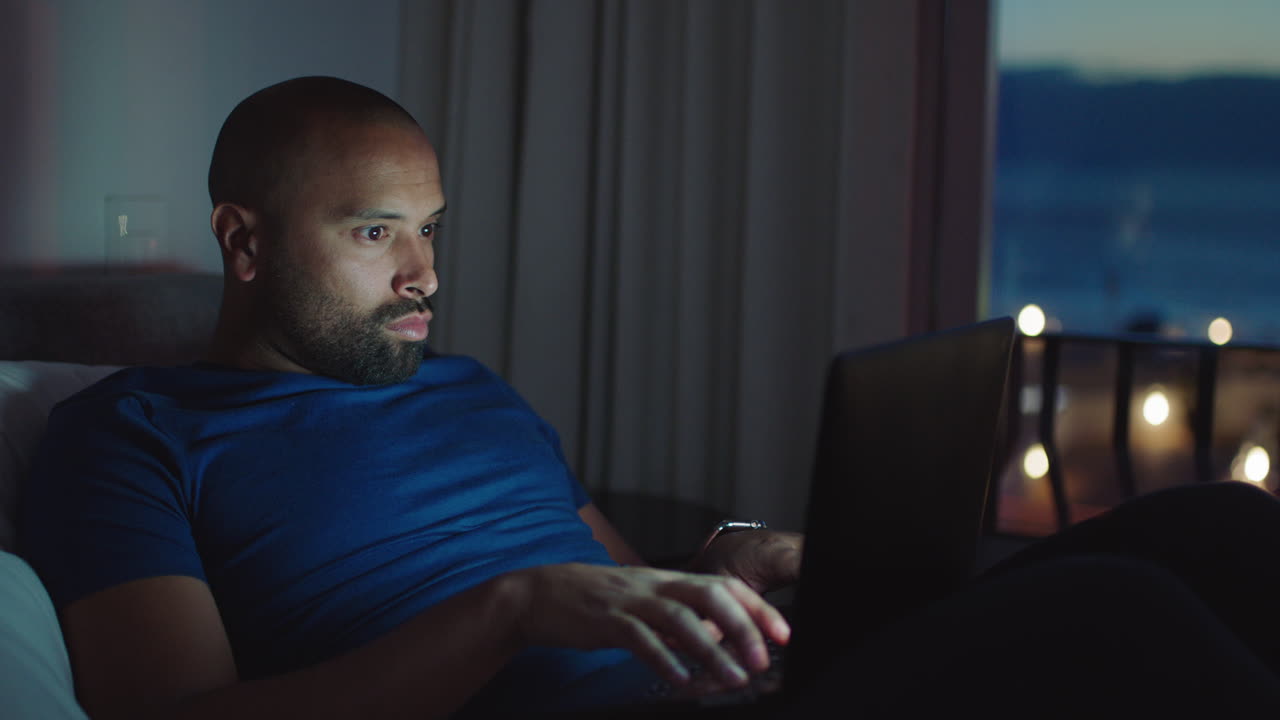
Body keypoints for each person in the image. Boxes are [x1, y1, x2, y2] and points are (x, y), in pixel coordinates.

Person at [19, 76, 802, 719]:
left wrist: (725, 571)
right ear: (244, 240)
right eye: (374, 232)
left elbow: (625, 594)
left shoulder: (474, 388)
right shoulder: (130, 437)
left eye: (428, 229)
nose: (422, 274)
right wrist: (510, 611)